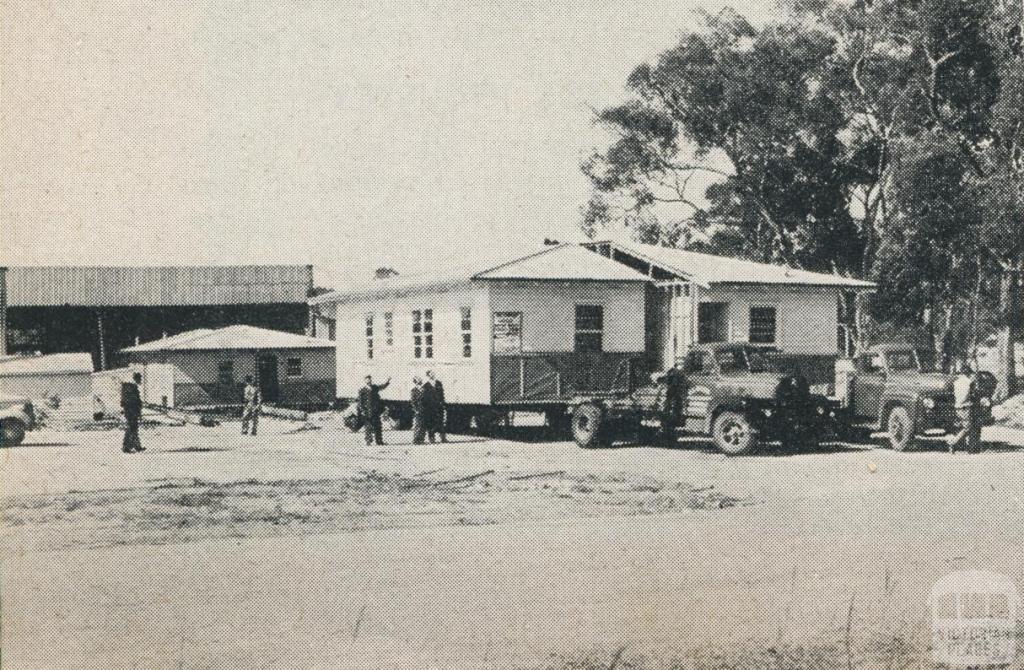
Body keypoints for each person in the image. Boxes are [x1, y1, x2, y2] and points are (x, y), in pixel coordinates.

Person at [949, 360, 982, 454]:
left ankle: (958, 445)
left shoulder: (956, 382)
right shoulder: (970, 382)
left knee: (961, 426)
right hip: (966, 406)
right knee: (968, 427)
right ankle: (953, 442)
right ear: (968, 373)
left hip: (957, 406)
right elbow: (974, 394)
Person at [357, 375, 391, 446]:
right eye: (367, 379)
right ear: (365, 381)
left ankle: (379, 441)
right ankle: (368, 441)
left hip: (375, 411)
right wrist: (363, 411)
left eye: (369, 379)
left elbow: (382, 387)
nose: (369, 381)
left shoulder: (374, 387)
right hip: (367, 412)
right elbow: (360, 402)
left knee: (378, 426)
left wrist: (387, 382)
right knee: (368, 427)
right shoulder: (362, 390)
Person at [660, 360, 688, 437]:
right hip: (675, 396)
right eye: (680, 364)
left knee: (671, 412)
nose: (681, 366)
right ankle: (668, 431)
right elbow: (674, 385)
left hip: (674, 396)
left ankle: (668, 430)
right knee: (672, 413)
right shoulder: (677, 373)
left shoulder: (673, 372)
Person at [120, 372, 145, 453]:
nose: (141, 380)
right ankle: (126, 447)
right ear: (136, 379)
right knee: (131, 428)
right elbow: (131, 400)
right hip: (131, 411)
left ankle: (136, 446)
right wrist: (138, 403)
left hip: (132, 411)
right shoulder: (130, 387)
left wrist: (139, 404)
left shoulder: (130, 386)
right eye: (140, 379)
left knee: (134, 428)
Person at [424, 369, 447, 443]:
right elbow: (425, 397)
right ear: (428, 375)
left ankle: (443, 438)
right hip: (430, 407)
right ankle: (431, 438)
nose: (433, 375)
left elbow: (442, 394)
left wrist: (442, 403)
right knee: (431, 423)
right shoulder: (426, 385)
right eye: (431, 374)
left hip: (439, 406)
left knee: (440, 422)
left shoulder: (439, 383)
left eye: (433, 373)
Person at [410, 376, 426, 444]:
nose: (420, 380)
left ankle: (422, 439)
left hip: (424, 409)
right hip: (418, 410)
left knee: (423, 425)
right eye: (418, 380)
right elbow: (413, 402)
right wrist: (416, 410)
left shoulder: (424, 389)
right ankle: (416, 440)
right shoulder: (413, 390)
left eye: (420, 379)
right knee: (417, 425)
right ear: (415, 382)